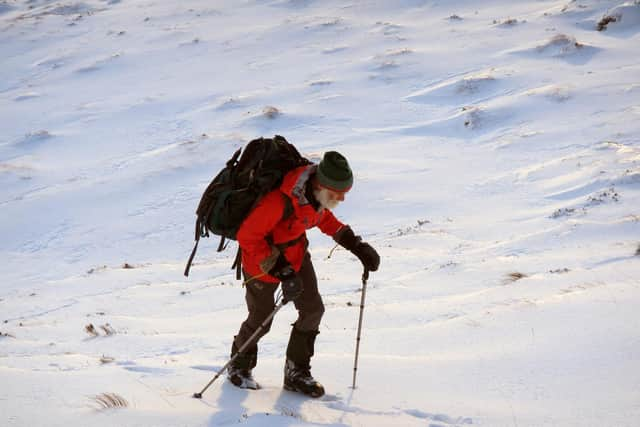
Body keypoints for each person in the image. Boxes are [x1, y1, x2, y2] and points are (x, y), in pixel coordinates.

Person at [227, 151, 380, 397]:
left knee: (312, 310)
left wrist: (355, 244)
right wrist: (279, 269)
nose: (341, 198)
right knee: (261, 319)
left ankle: (296, 372)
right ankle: (239, 365)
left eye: (344, 193)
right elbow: (248, 237)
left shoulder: (315, 196)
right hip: (262, 265)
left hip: (297, 257)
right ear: (320, 184)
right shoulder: (279, 201)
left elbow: (324, 219)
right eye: (336, 193)